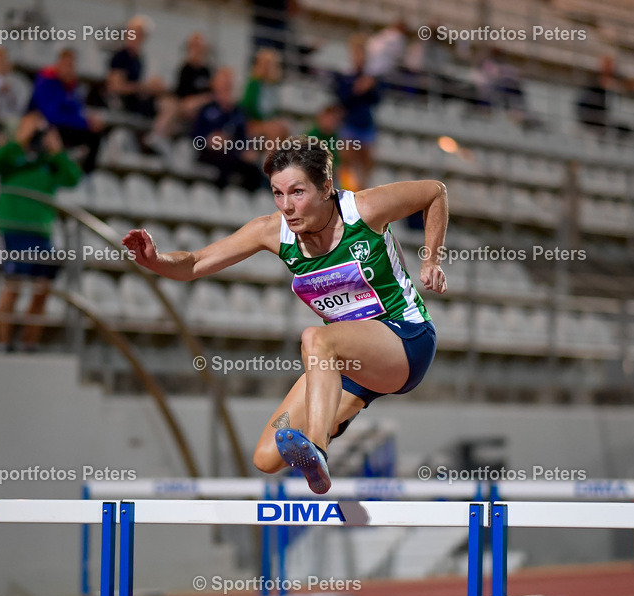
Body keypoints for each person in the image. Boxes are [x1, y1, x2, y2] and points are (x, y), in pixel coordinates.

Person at [122, 136, 447, 493]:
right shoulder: (271, 231)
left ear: (326, 188)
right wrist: (156, 260)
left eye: (297, 192)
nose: (287, 207)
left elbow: (434, 192)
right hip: (349, 363)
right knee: (266, 456)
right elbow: (197, 263)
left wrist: (431, 258)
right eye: (277, 194)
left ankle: (319, 448)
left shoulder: (364, 209)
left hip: (405, 339)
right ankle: (330, 427)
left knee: (315, 339)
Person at [0, 111, 83, 352]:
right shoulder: (12, 154)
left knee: (42, 288)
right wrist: (19, 140)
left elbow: (73, 178)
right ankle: (4, 342)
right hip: (14, 230)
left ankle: (29, 342)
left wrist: (57, 150)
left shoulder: (49, 161)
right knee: (13, 285)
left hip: (41, 233)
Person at [29, 48, 105, 173]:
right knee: (52, 135)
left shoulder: (70, 87)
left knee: (94, 135)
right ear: (59, 63)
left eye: (72, 65)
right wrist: (86, 123)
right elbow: (51, 116)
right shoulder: (45, 82)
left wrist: (89, 122)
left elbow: (76, 112)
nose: (69, 69)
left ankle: (86, 175)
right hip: (43, 129)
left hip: (63, 129)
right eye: (67, 64)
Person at [191, 67, 263, 191]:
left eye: (228, 85)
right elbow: (195, 135)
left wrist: (247, 150)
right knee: (225, 162)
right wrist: (208, 140)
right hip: (210, 152)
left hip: (232, 152)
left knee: (255, 170)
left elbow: (242, 138)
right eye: (223, 85)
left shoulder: (238, 112)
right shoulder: (207, 108)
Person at [334, 35, 380, 192]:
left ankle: (361, 191)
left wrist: (370, 87)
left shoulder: (370, 78)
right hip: (349, 123)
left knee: (365, 163)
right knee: (347, 160)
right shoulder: (345, 76)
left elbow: (376, 99)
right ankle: (347, 189)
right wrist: (357, 89)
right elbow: (342, 98)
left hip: (365, 124)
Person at [240, 48, 289, 142]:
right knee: (274, 129)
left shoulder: (274, 86)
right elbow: (245, 107)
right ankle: (269, 155)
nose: (267, 68)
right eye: (264, 64)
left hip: (268, 121)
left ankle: (279, 154)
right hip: (253, 122)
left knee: (285, 127)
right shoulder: (253, 84)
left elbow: (275, 110)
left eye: (270, 64)